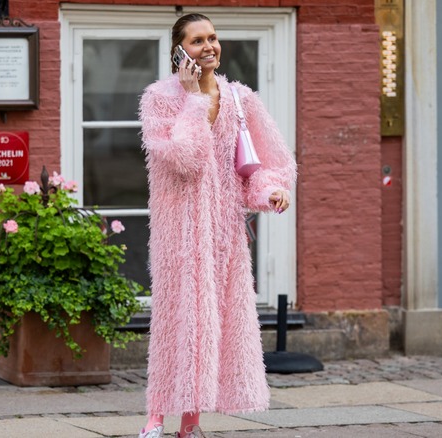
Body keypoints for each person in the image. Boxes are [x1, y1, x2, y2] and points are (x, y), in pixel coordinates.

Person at [137, 13, 296, 438]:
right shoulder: (159, 98)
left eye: (213, 38)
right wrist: (193, 100)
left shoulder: (241, 98)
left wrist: (270, 191)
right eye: (196, 41)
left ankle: (191, 423)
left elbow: (267, 163)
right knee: (176, 323)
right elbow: (184, 160)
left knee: (216, 326)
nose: (208, 47)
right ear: (178, 50)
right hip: (180, 232)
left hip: (225, 232)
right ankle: (155, 417)